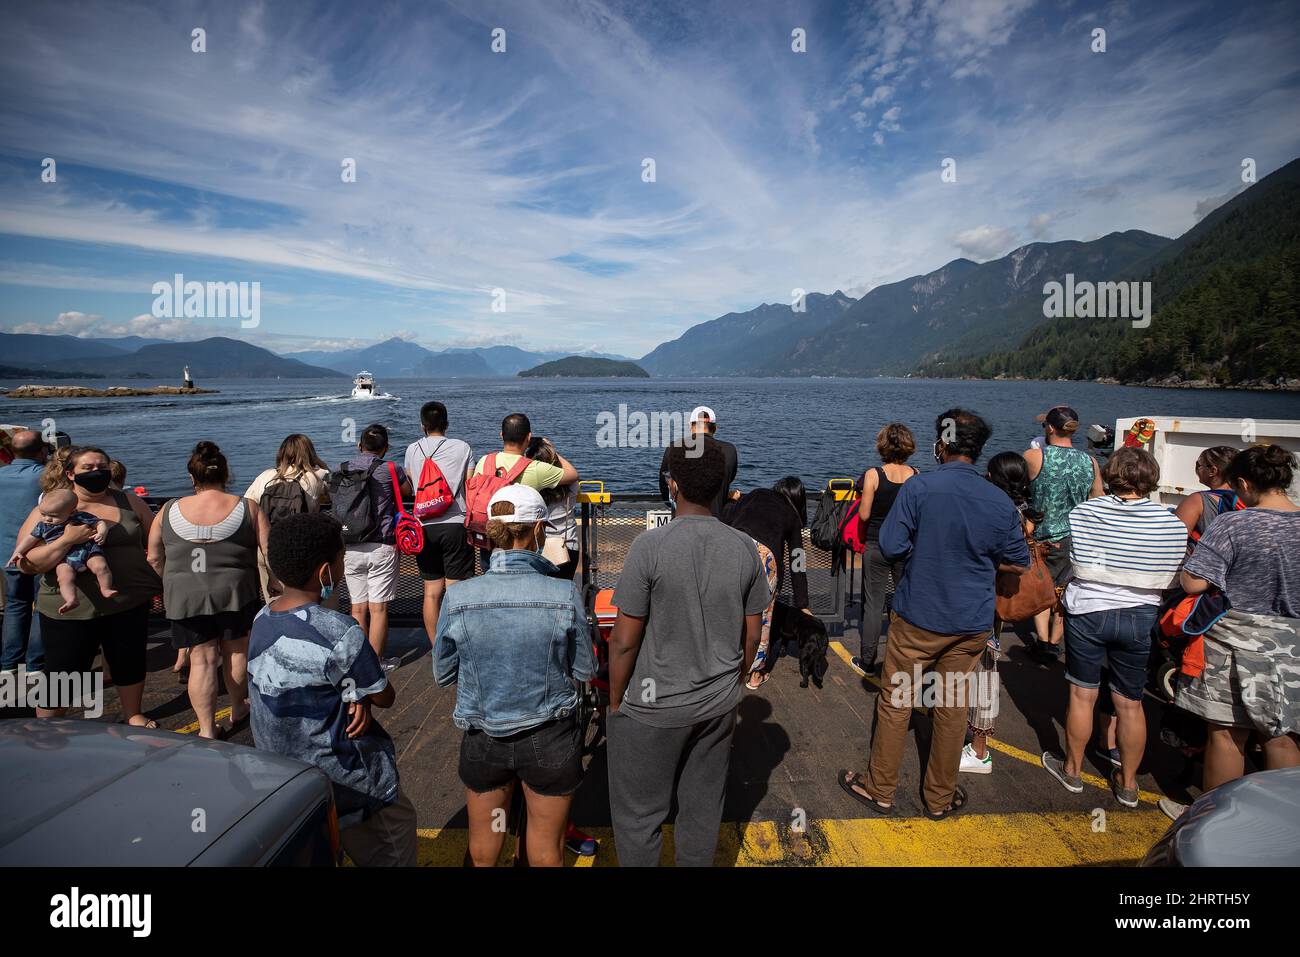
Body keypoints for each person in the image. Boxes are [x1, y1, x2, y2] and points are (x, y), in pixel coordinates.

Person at [838, 409, 1028, 820]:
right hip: (970, 623)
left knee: (897, 702)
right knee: (952, 707)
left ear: (942, 444)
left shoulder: (920, 489)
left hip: (918, 618)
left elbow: (889, 546)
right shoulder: (998, 500)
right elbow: (1018, 561)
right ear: (978, 450)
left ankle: (880, 789)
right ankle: (939, 798)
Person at [607, 442, 768, 866]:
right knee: (701, 814)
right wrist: (735, 680)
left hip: (650, 706)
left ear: (672, 484)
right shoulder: (744, 548)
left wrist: (615, 701)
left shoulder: (649, 546)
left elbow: (623, 639)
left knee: (640, 818)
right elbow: (753, 635)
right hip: (716, 703)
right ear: (722, 487)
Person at [433, 485, 596, 867]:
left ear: (493, 531)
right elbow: (585, 669)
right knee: (544, 850)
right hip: (550, 739)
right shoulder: (562, 593)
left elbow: (443, 673)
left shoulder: (459, 597)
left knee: (485, 849)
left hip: (485, 738)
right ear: (538, 529)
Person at [248, 512, 417, 866]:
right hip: (349, 784)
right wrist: (360, 695)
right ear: (326, 572)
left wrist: (351, 692)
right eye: (340, 560)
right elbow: (385, 696)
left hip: (287, 776)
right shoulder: (339, 630)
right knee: (394, 836)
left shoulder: (261, 620)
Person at [1039, 447, 1187, 807]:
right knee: (1130, 703)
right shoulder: (1170, 523)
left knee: (1082, 695)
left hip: (1088, 610)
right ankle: (1128, 783)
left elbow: (1075, 558)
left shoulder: (1086, 512)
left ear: (1111, 475)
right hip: (1140, 613)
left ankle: (1072, 770)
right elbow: (1171, 576)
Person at [1175, 445, 1300, 792]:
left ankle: (1218, 819)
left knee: (1228, 735)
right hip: (1292, 644)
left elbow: (1193, 582)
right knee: (1281, 733)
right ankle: (1283, 819)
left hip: (1235, 641)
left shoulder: (1234, 523)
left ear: (1243, 483)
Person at [15, 446, 161, 726]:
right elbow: (28, 563)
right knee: (63, 670)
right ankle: (47, 724)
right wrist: (67, 540)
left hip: (127, 603)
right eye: (88, 468)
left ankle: (133, 713)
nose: (97, 473)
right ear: (70, 474)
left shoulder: (131, 502)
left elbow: (157, 543)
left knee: (128, 661)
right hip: (69, 610)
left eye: (102, 467)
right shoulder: (50, 508)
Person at [146, 442, 269, 740]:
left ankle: (205, 729)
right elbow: (268, 552)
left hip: (186, 595)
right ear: (227, 474)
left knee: (202, 660)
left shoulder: (167, 510)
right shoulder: (247, 507)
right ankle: (238, 706)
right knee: (236, 653)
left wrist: (170, 580)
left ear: (192, 478)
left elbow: (153, 556)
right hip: (235, 592)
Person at [962, 451, 1042, 774]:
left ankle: (979, 751)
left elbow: (1011, 560)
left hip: (983, 602)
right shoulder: (1025, 515)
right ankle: (976, 743)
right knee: (981, 671)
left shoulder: (997, 511)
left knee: (982, 673)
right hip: (996, 606)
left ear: (994, 478)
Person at [1023, 405, 1103, 662]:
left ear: (1049, 428)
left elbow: (1020, 489)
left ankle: (1042, 641)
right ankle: (1055, 642)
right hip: (1076, 538)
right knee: (1063, 590)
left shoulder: (1035, 457)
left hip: (1043, 536)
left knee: (1042, 589)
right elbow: (1097, 498)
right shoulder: (1090, 461)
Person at [334, 424, 411, 672]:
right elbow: (407, 491)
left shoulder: (342, 468)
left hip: (350, 545)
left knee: (358, 607)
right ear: (386, 448)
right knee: (378, 609)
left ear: (359, 445)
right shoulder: (391, 468)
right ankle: (375, 665)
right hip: (381, 545)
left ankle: (359, 662)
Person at [722, 475, 811, 689]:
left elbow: (725, 515)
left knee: (729, 608)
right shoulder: (792, 514)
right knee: (763, 617)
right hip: (764, 556)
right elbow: (797, 562)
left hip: (734, 547)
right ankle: (755, 675)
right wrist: (803, 604)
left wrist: (731, 497)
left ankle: (724, 665)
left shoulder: (754, 495)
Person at [402, 401, 475, 641]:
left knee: (431, 593)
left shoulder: (412, 450)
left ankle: (436, 647)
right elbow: (470, 483)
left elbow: (411, 485)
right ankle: (458, 643)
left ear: (422, 425)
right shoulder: (462, 447)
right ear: (446, 423)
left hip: (423, 527)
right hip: (455, 524)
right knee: (456, 592)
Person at [851, 423, 919, 677]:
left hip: (876, 544)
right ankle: (905, 658)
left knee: (873, 604)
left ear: (882, 445)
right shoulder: (916, 474)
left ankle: (868, 660)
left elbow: (864, 513)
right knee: (905, 602)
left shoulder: (873, 475)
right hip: (905, 546)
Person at [244, 434, 331, 599]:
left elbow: (247, 507)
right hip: (299, 549)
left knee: (275, 602)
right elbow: (334, 496)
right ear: (310, 453)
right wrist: (319, 463)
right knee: (303, 603)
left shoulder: (265, 476)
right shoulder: (318, 475)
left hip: (267, 549)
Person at [9, 488, 116, 614]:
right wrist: (18, 552)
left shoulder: (80, 517)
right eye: (43, 514)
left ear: (71, 512)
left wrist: (102, 532)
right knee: (64, 577)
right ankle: (71, 599)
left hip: (87, 550)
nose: (47, 519)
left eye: (53, 516)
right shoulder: (43, 525)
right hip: (64, 557)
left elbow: (99, 522)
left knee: (100, 566)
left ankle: (106, 588)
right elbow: (30, 539)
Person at [0, 429, 47, 675]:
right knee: (41, 605)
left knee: (15, 606)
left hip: (7, 553)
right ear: (41, 451)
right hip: (40, 553)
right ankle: (35, 663)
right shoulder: (45, 477)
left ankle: (9, 663)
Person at [657, 406, 738, 517]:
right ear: (715, 428)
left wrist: (671, 501)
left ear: (691, 426)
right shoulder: (730, 450)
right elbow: (728, 479)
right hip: (717, 521)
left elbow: (664, 485)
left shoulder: (673, 448)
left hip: (681, 522)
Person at [472, 413, 579, 494]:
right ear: (528, 437)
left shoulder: (484, 461)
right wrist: (549, 448)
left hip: (486, 522)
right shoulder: (536, 469)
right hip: (518, 523)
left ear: (501, 435)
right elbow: (573, 474)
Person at [524, 436, 580, 580]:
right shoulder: (572, 486)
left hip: (538, 548)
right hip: (567, 547)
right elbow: (572, 472)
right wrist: (552, 451)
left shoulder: (532, 487)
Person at [1174, 446, 1241, 543]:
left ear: (1213, 471)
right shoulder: (1248, 499)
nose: (1196, 469)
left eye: (1198, 465)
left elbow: (1173, 539)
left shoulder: (1197, 500)